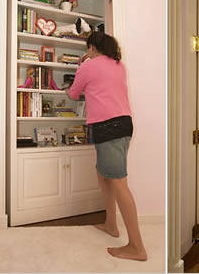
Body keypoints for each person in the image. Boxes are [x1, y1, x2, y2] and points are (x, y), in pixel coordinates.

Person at [67, 31, 147, 261]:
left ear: (92, 48)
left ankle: (137, 247)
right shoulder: (118, 65)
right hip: (123, 124)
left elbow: (73, 94)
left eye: (87, 49)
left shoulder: (88, 66)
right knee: (103, 174)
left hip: (106, 127)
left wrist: (75, 76)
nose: (86, 53)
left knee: (119, 182)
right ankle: (111, 224)